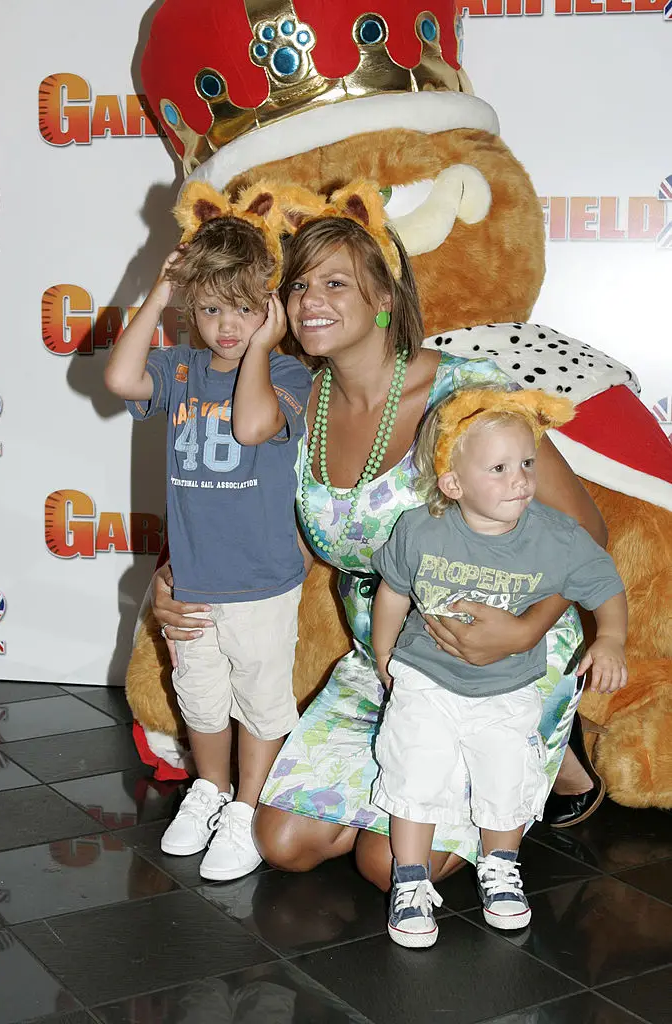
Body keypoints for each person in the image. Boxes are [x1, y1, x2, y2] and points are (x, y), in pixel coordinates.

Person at [151, 180, 609, 894]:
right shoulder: (294, 397)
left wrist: (524, 632)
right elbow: (266, 524)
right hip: (387, 658)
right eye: (298, 284)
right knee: (284, 842)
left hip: (496, 656)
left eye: (335, 282)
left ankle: (545, 746)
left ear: (384, 299)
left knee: (385, 863)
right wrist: (182, 581)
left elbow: (584, 530)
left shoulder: (465, 394)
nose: (310, 301)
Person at [105, 183, 312, 881]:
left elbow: (253, 425)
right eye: (213, 308)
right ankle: (210, 787)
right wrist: (159, 297)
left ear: (271, 310)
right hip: (192, 580)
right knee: (199, 698)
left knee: (259, 699)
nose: (228, 325)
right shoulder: (180, 367)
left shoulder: (286, 374)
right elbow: (120, 377)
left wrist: (262, 346)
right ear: (193, 308)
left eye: (245, 309)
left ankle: (248, 806)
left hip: (258, 581)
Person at [370, 386, 627, 947]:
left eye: (527, 464)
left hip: (509, 685)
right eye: (501, 468)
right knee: (416, 765)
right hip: (427, 677)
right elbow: (392, 591)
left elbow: (605, 585)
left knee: (507, 772)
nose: (522, 480)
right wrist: (385, 654)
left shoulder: (554, 537)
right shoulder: (420, 530)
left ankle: (501, 868)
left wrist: (610, 638)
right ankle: (409, 881)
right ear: (453, 484)